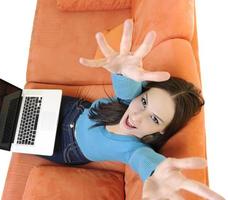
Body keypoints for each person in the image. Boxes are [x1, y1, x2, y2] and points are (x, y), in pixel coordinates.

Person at [40, 20, 225, 200]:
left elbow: (147, 162)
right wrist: (121, 71)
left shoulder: (134, 150)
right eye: (144, 102)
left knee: (13, 130)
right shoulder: (130, 98)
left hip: (64, 145)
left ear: (162, 130)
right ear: (142, 92)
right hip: (73, 109)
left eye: (154, 119)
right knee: (16, 101)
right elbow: (127, 84)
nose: (136, 116)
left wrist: (156, 172)